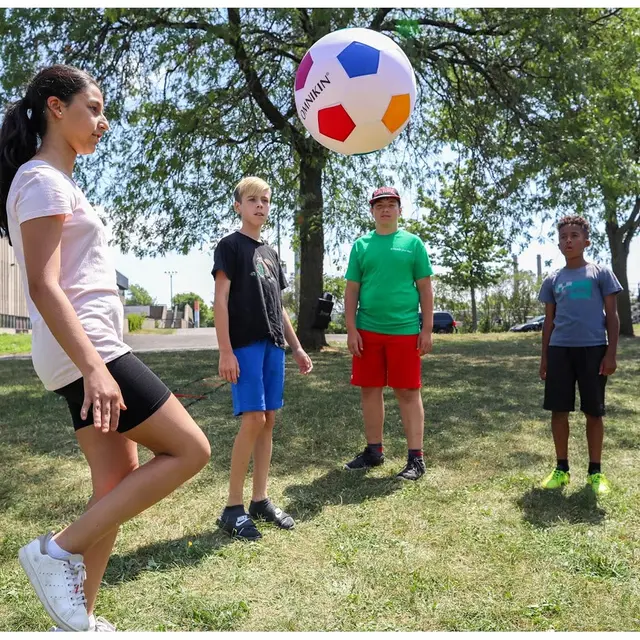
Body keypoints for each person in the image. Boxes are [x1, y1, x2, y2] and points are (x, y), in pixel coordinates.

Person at [0, 65, 211, 632]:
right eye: (92, 108)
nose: (103, 121)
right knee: (191, 449)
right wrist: (96, 367)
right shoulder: (42, 179)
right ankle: (56, 551)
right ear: (54, 107)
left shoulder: (55, 181)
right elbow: (43, 285)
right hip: (88, 349)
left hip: (88, 348)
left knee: (116, 480)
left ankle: (81, 617)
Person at [213, 176, 313, 541]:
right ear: (238, 206)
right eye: (252, 200)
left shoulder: (270, 253)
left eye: (266, 200)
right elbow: (220, 300)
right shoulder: (230, 247)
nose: (260, 206)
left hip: (274, 346)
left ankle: (259, 500)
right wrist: (225, 350)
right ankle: (232, 507)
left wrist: (298, 347)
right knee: (252, 418)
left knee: (268, 419)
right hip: (245, 346)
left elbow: (280, 307)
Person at [344, 187, 434, 481]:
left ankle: (416, 458)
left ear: (399, 210)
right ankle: (374, 451)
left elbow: (425, 288)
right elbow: (352, 290)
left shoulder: (413, 244)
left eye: (391, 204)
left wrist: (427, 329)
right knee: (370, 390)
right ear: (372, 211)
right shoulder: (361, 246)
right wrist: (351, 329)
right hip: (368, 331)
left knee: (408, 392)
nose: (385, 209)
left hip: (405, 331)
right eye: (379, 205)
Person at [538, 215, 622, 494]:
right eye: (563, 237)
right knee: (558, 411)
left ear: (586, 241)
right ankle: (561, 468)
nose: (568, 240)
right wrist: (545, 358)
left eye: (574, 236)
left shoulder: (600, 273)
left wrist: (610, 354)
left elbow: (613, 316)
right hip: (560, 350)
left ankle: (595, 473)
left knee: (593, 413)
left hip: (593, 350)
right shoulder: (553, 279)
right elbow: (548, 322)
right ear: (559, 244)